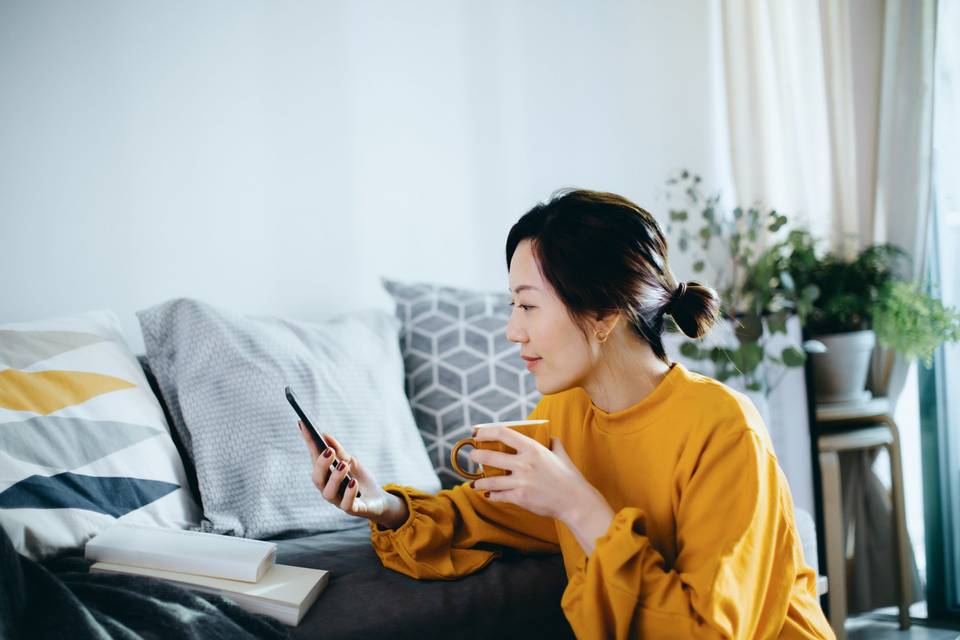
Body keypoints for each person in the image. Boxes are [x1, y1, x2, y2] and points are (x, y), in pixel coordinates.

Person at [298, 189, 834, 639]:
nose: (513, 330)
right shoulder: (564, 412)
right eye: (513, 306)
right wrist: (384, 505)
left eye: (528, 305)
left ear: (603, 312)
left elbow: (713, 630)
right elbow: (485, 516)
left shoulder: (722, 427)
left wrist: (578, 505)